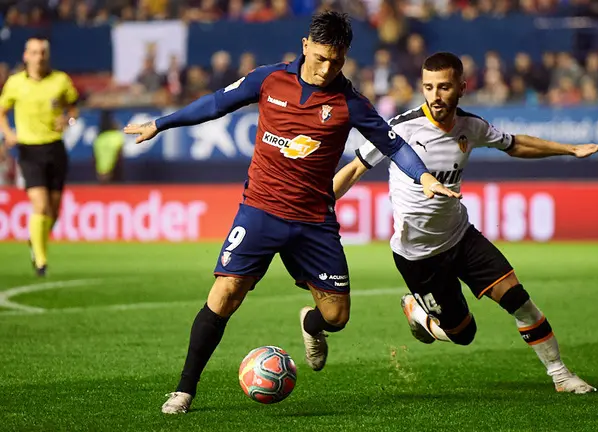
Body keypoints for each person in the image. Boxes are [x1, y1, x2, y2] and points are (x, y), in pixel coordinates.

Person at [123, 12, 460, 414]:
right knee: (225, 294)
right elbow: (216, 104)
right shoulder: (269, 80)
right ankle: (184, 390)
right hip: (260, 212)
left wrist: (421, 176)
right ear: (305, 46)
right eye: (320, 58)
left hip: (314, 222)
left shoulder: (349, 102)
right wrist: (159, 124)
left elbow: (394, 144)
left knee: (336, 316)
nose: (327, 68)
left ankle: (310, 324)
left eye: (337, 61)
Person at [334, 52, 598, 394]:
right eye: (429, 87)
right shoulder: (401, 129)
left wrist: (571, 149)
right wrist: (314, 206)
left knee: (519, 300)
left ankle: (560, 375)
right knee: (463, 334)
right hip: (418, 256)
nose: (436, 95)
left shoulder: (471, 126)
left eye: (444, 87)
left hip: (461, 237)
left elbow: (515, 144)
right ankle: (419, 312)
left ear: (462, 88)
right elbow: (354, 170)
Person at [0, 36, 79, 276]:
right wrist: (8, 133)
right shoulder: (15, 84)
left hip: (55, 147)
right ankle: (41, 261)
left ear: (48, 55)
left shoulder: (60, 80)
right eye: (34, 52)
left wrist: (68, 119)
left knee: (53, 211)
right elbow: (2, 111)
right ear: (26, 56)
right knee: (40, 204)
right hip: (28, 149)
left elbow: (73, 108)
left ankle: (36, 241)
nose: (39, 57)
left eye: (42, 52)